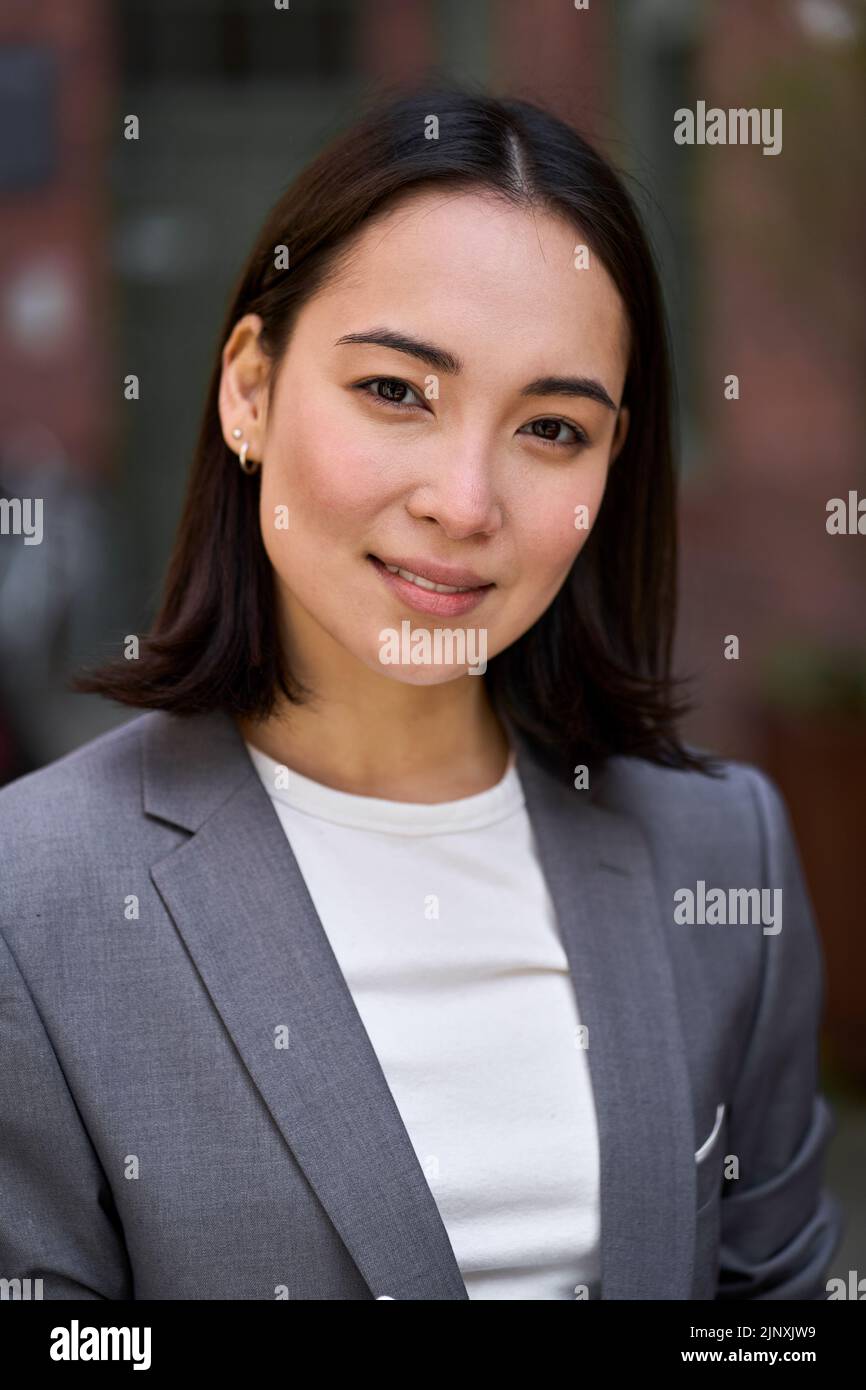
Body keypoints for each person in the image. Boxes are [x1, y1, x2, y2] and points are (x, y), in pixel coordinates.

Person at [0, 85, 843, 1300]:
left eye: (550, 427)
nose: (465, 501)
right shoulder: (37, 900)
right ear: (249, 388)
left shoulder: (722, 854)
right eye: (396, 391)